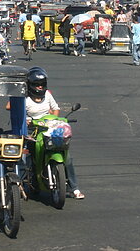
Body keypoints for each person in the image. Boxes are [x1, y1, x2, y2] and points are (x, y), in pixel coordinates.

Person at [24, 68, 84, 199]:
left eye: (42, 84)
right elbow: (15, 110)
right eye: (37, 85)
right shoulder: (25, 99)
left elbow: (56, 109)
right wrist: (27, 120)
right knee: (27, 158)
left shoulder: (48, 95)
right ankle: (25, 183)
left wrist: (55, 119)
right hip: (33, 130)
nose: (40, 87)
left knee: (67, 158)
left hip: (49, 128)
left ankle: (74, 188)